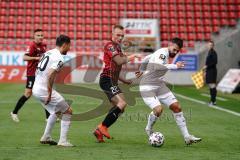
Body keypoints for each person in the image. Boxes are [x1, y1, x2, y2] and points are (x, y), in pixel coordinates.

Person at [137, 38, 201, 145]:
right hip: (147, 86)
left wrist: (142, 69)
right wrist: (176, 66)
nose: (175, 52)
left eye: (177, 51)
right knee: (158, 110)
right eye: (174, 49)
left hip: (159, 85)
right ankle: (148, 128)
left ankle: (187, 137)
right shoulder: (162, 53)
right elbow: (158, 67)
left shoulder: (162, 53)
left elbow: (148, 57)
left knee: (177, 107)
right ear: (169, 45)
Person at [93, 24, 138, 143]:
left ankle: (99, 130)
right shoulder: (110, 46)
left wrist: (124, 80)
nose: (120, 37)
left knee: (121, 108)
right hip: (107, 80)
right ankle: (102, 127)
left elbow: (116, 68)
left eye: (122, 36)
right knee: (121, 103)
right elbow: (119, 60)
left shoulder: (118, 48)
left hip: (112, 80)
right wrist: (131, 57)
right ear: (112, 34)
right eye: (118, 35)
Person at [32, 35, 74, 147]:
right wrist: (49, 93)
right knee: (68, 111)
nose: (69, 48)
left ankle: (46, 136)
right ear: (64, 45)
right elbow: (50, 74)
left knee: (56, 111)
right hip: (44, 90)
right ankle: (63, 141)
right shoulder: (59, 57)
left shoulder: (48, 52)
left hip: (36, 88)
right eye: (69, 46)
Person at [10, 29, 50, 122]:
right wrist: (36, 58)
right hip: (32, 73)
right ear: (34, 36)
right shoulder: (32, 45)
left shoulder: (44, 45)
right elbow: (24, 57)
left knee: (43, 93)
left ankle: (48, 117)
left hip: (40, 73)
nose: (40, 37)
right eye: (38, 35)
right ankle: (14, 112)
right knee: (28, 94)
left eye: (41, 35)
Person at [203, 40, 218, 105]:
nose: (209, 46)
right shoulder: (209, 52)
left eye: (211, 45)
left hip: (212, 71)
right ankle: (213, 100)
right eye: (208, 45)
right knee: (210, 85)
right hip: (209, 70)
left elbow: (215, 62)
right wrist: (206, 71)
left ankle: (213, 101)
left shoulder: (213, 53)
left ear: (213, 46)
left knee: (212, 85)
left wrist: (206, 66)